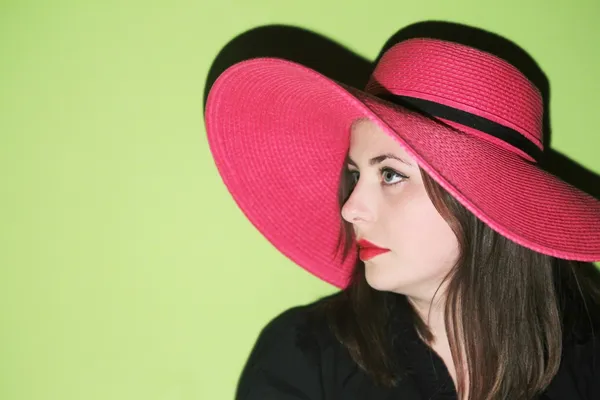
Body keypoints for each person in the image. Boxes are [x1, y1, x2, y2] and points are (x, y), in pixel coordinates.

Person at [203, 32, 600, 399]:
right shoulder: (305, 358)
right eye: (355, 175)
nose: (351, 209)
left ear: (488, 205)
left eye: (391, 174)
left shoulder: (587, 351)